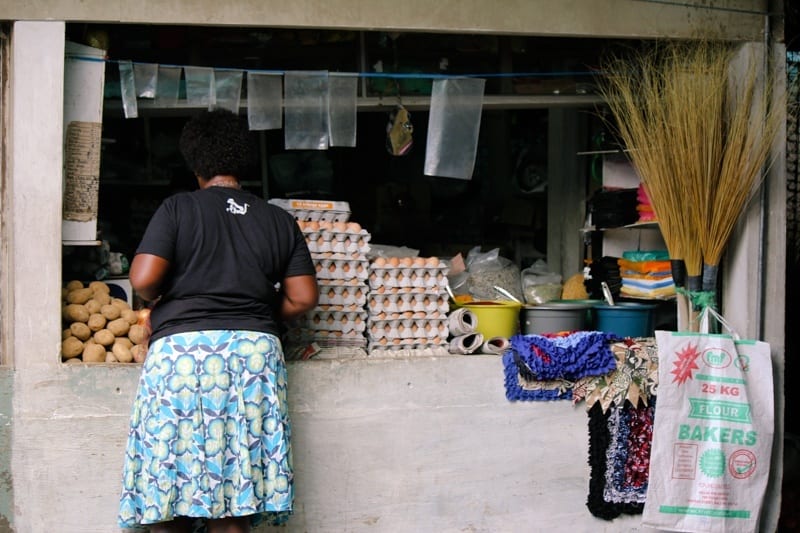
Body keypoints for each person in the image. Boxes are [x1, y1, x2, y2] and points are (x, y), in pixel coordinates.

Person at [117, 109, 319, 533]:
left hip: (183, 359)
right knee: (234, 495)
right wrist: (259, 314)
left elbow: (143, 279)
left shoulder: (178, 208)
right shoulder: (277, 219)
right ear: (241, 161)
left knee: (169, 488)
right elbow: (302, 298)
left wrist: (157, 303)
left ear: (195, 165)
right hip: (253, 358)